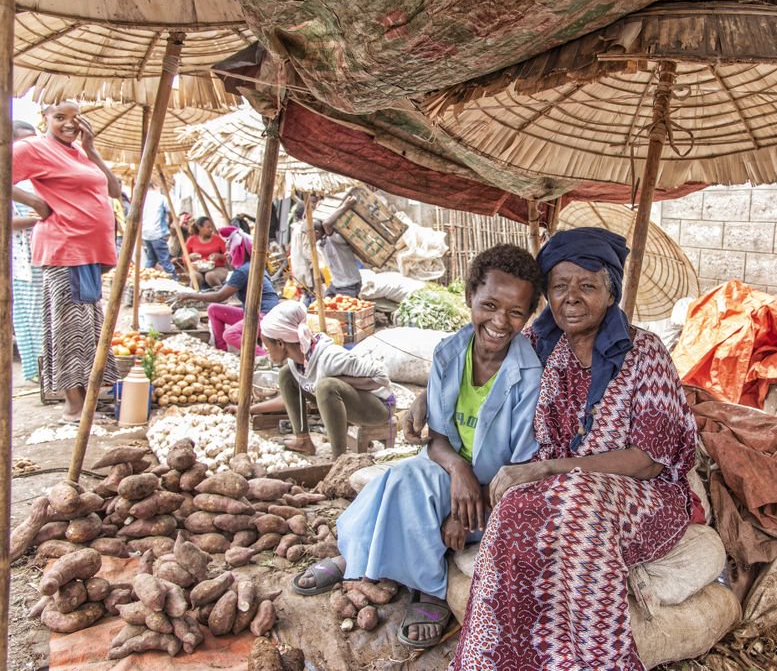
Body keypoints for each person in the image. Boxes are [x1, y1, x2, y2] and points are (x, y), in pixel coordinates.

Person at [404, 229, 701, 669]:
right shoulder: (544, 346)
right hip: (557, 490)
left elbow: (647, 460)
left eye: (587, 285)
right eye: (560, 286)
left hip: (644, 497)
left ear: (610, 291)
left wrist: (548, 470)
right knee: (510, 507)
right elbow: (477, 360)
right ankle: (491, 659)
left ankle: (590, 660)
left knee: (576, 499)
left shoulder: (646, 353)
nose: (572, 298)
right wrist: (425, 397)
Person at [293, 244, 546, 650]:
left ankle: (425, 587)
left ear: (528, 316)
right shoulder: (450, 352)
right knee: (401, 478)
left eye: (516, 312)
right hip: (449, 471)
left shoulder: (529, 374)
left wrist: (469, 508)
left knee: (408, 484)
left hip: (496, 492)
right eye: (490, 305)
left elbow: (518, 471)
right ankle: (356, 561)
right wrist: (459, 471)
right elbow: (439, 438)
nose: (500, 321)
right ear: (470, 299)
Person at [12, 102, 121, 421]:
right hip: (64, 249)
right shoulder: (33, 147)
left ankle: (85, 397)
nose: (69, 125)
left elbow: (114, 190)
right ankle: (73, 405)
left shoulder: (81, 152)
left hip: (89, 253)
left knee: (88, 327)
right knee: (68, 327)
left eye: (75, 119)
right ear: (44, 119)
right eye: (60, 118)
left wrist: (93, 150)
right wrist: (33, 200)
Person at [255, 301, 394, 455]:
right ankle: (303, 440)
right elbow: (289, 396)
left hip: (379, 409)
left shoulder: (331, 357)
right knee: (286, 374)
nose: (265, 350)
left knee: (326, 386)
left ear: (280, 343)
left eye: (267, 345)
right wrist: (252, 409)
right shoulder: (296, 362)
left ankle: (338, 457)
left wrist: (342, 382)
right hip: (349, 403)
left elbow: (382, 377)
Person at [177, 229, 280, 353]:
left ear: (237, 251)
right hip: (253, 313)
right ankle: (221, 350)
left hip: (265, 316)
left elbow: (219, 296)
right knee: (213, 309)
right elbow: (222, 292)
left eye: (229, 250)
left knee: (229, 334)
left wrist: (189, 295)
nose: (226, 254)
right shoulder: (248, 267)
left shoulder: (243, 271)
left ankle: (263, 356)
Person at [11, 120, 44, 382]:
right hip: (23, 261)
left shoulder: (37, 176)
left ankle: (51, 372)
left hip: (46, 254)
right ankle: (39, 372)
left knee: (47, 315)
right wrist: (37, 218)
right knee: (32, 316)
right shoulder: (9, 178)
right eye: (25, 142)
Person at [314, 215, 361, 299]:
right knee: (325, 306)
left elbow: (326, 224)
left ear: (317, 233)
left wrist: (347, 204)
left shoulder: (337, 239)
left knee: (346, 309)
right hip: (335, 284)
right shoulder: (320, 243)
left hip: (349, 285)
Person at [140, 182, 175, 277]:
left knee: (151, 259)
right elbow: (170, 213)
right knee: (164, 259)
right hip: (157, 232)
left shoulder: (142, 199)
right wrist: (169, 223)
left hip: (145, 233)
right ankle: (173, 278)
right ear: (155, 186)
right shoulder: (161, 198)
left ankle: (144, 276)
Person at [185, 216, 228, 288]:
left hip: (217, 269)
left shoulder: (217, 239)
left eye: (211, 227)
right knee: (195, 277)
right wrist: (190, 257)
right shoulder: (191, 240)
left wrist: (219, 256)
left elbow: (228, 255)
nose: (211, 229)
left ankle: (219, 294)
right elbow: (184, 257)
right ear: (199, 228)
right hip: (197, 270)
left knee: (210, 275)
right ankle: (194, 296)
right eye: (208, 227)